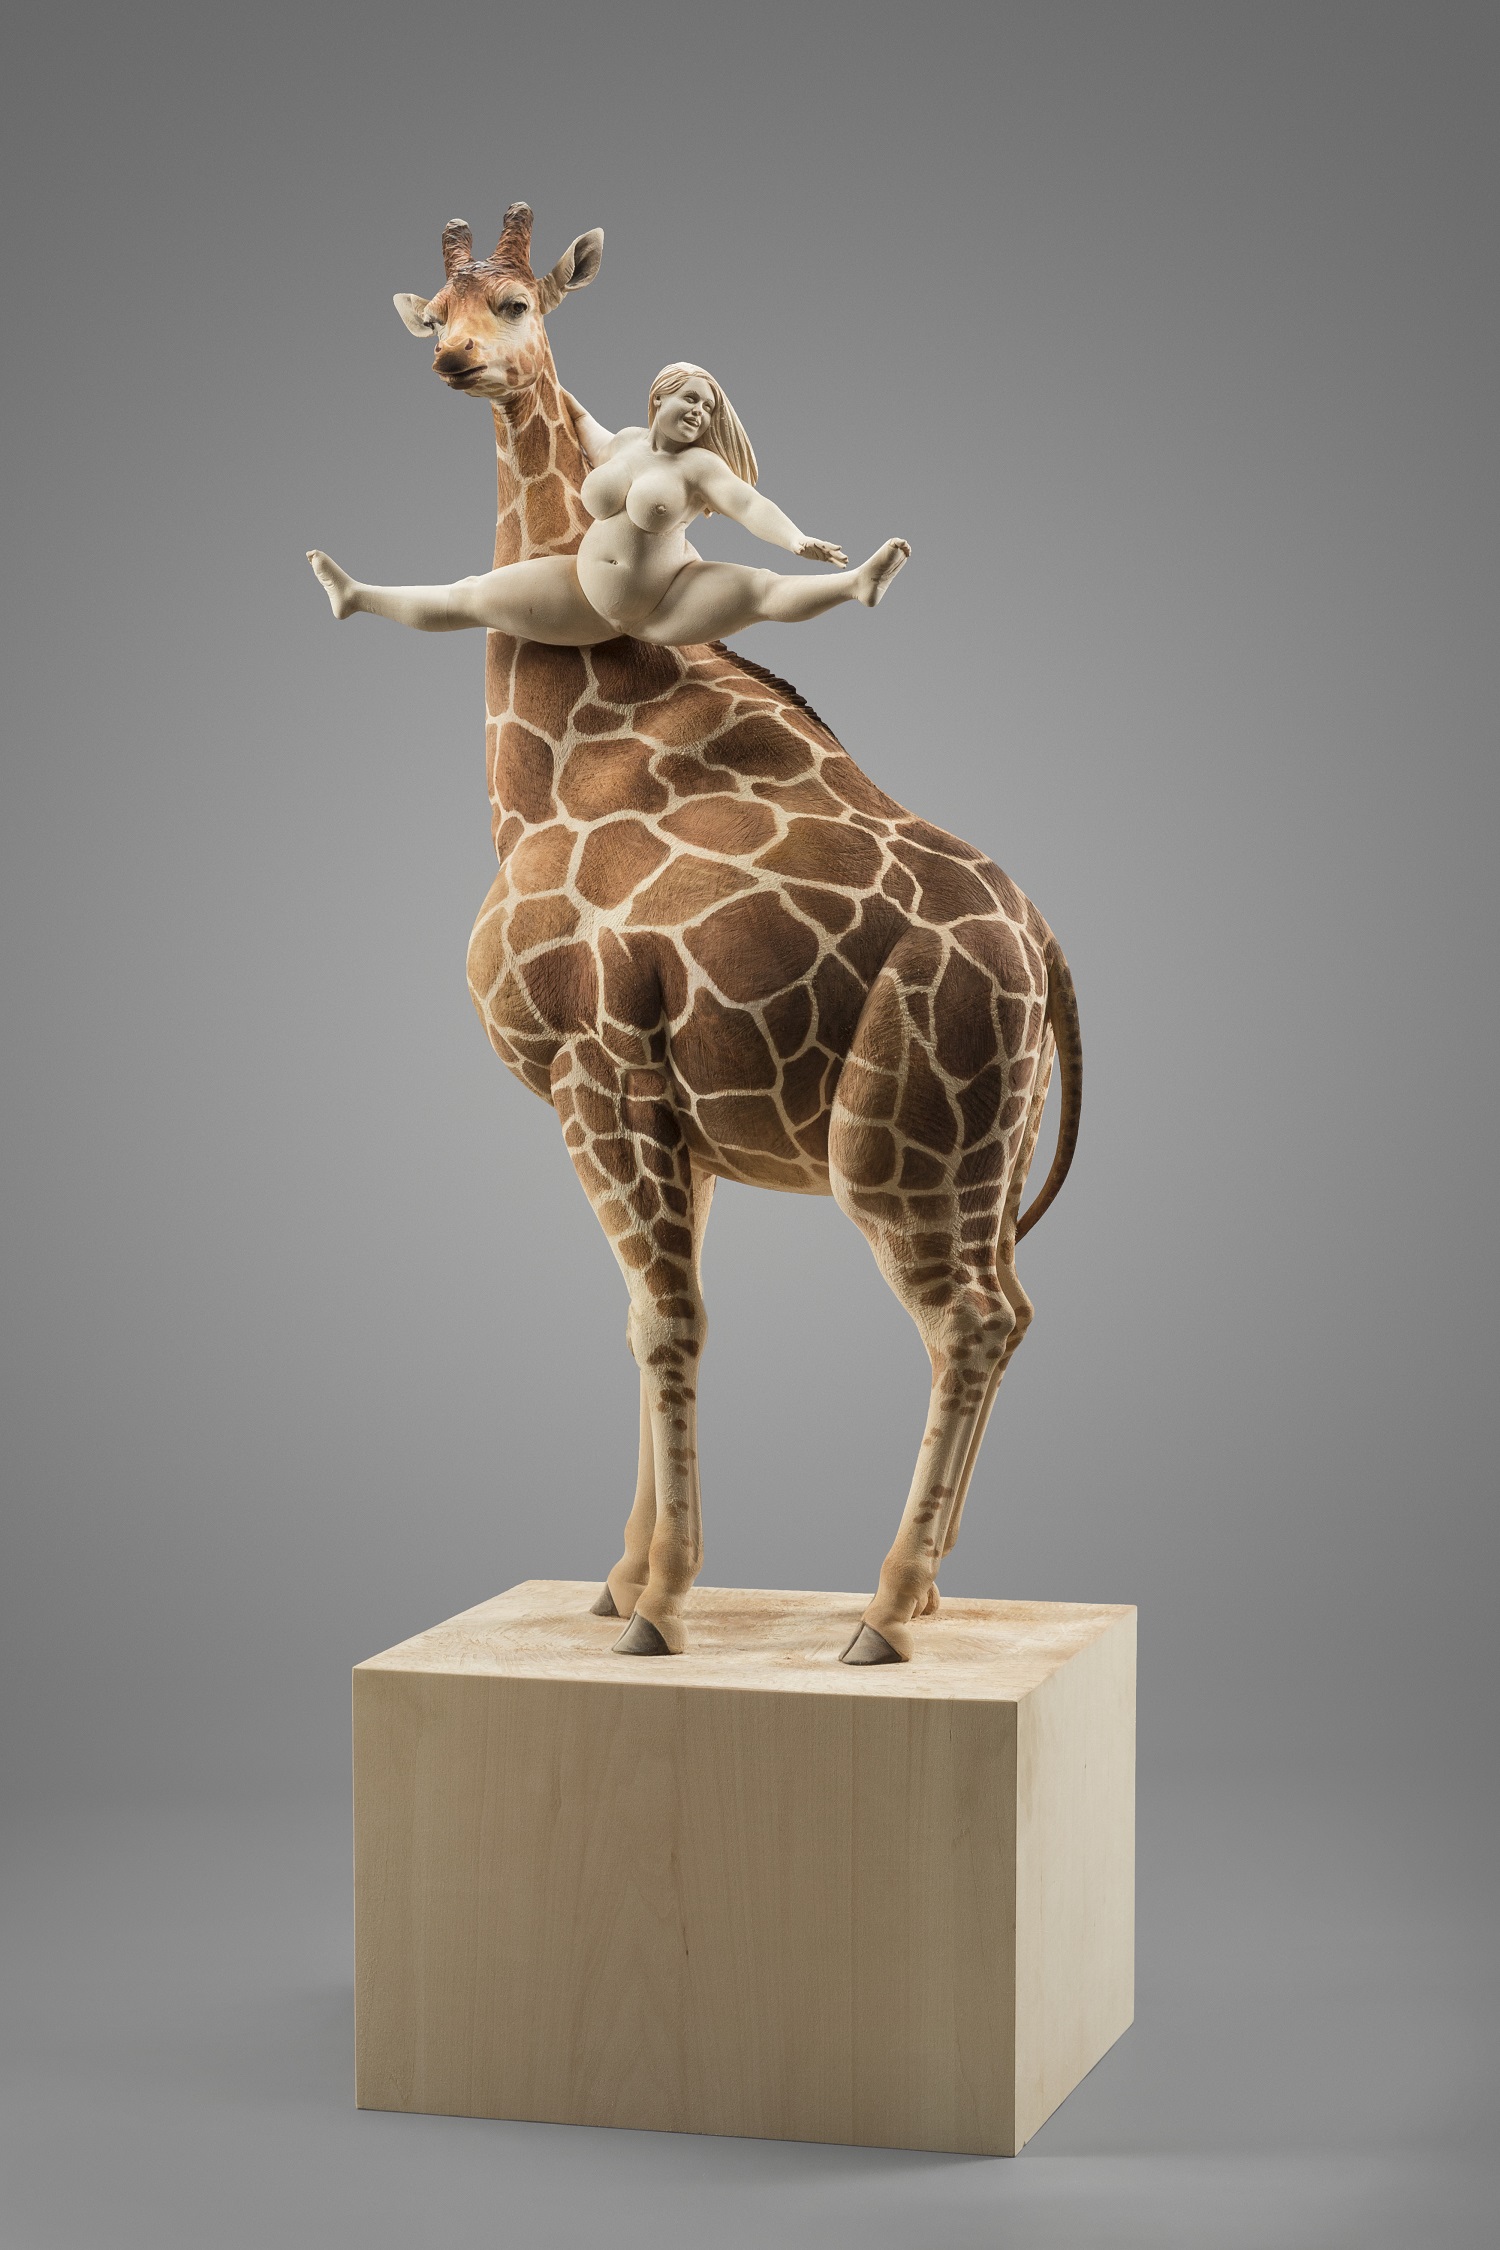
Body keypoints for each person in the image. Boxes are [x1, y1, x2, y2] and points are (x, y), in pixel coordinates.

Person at [308, 363, 909, 647]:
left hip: (666, 602)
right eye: (690, 399)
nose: (699, 413)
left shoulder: (700, 468)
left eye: (708, 409)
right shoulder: (623, 443)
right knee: (467, 595)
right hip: (582, 595)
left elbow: (749, 505)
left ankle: (856, 584)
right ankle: (356, 596)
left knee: (760, 590)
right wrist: (529, 369)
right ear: (659, 399)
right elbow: (576, 418)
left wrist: (797, 539)